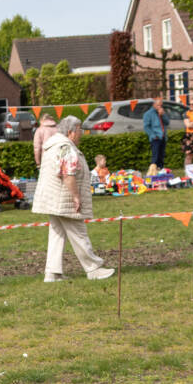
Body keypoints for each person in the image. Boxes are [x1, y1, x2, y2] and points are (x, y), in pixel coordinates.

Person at [32, 116, 114, 283]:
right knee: (79, 233)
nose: (81, 133)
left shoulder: (53, 145)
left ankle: (52, 273)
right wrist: (76, 197)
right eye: (79, 130)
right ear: (70, 132)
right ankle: (93, 269)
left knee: (56, 233)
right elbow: (68, 175)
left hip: (52, 199)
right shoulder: (66, 148)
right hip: (64, 198)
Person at [143, 96, 169, 169]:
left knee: (161, 156)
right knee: (155, 156)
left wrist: (163, 115)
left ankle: (160, 170)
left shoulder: (162, 112)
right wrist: (153, 135)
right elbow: (146, 127)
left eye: (161, 105)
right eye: (158, 105)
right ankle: (153, 170)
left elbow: (167, 122)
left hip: (163, 136)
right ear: (154, 105)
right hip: (155, 138)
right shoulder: (148, 114)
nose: (160, 107)